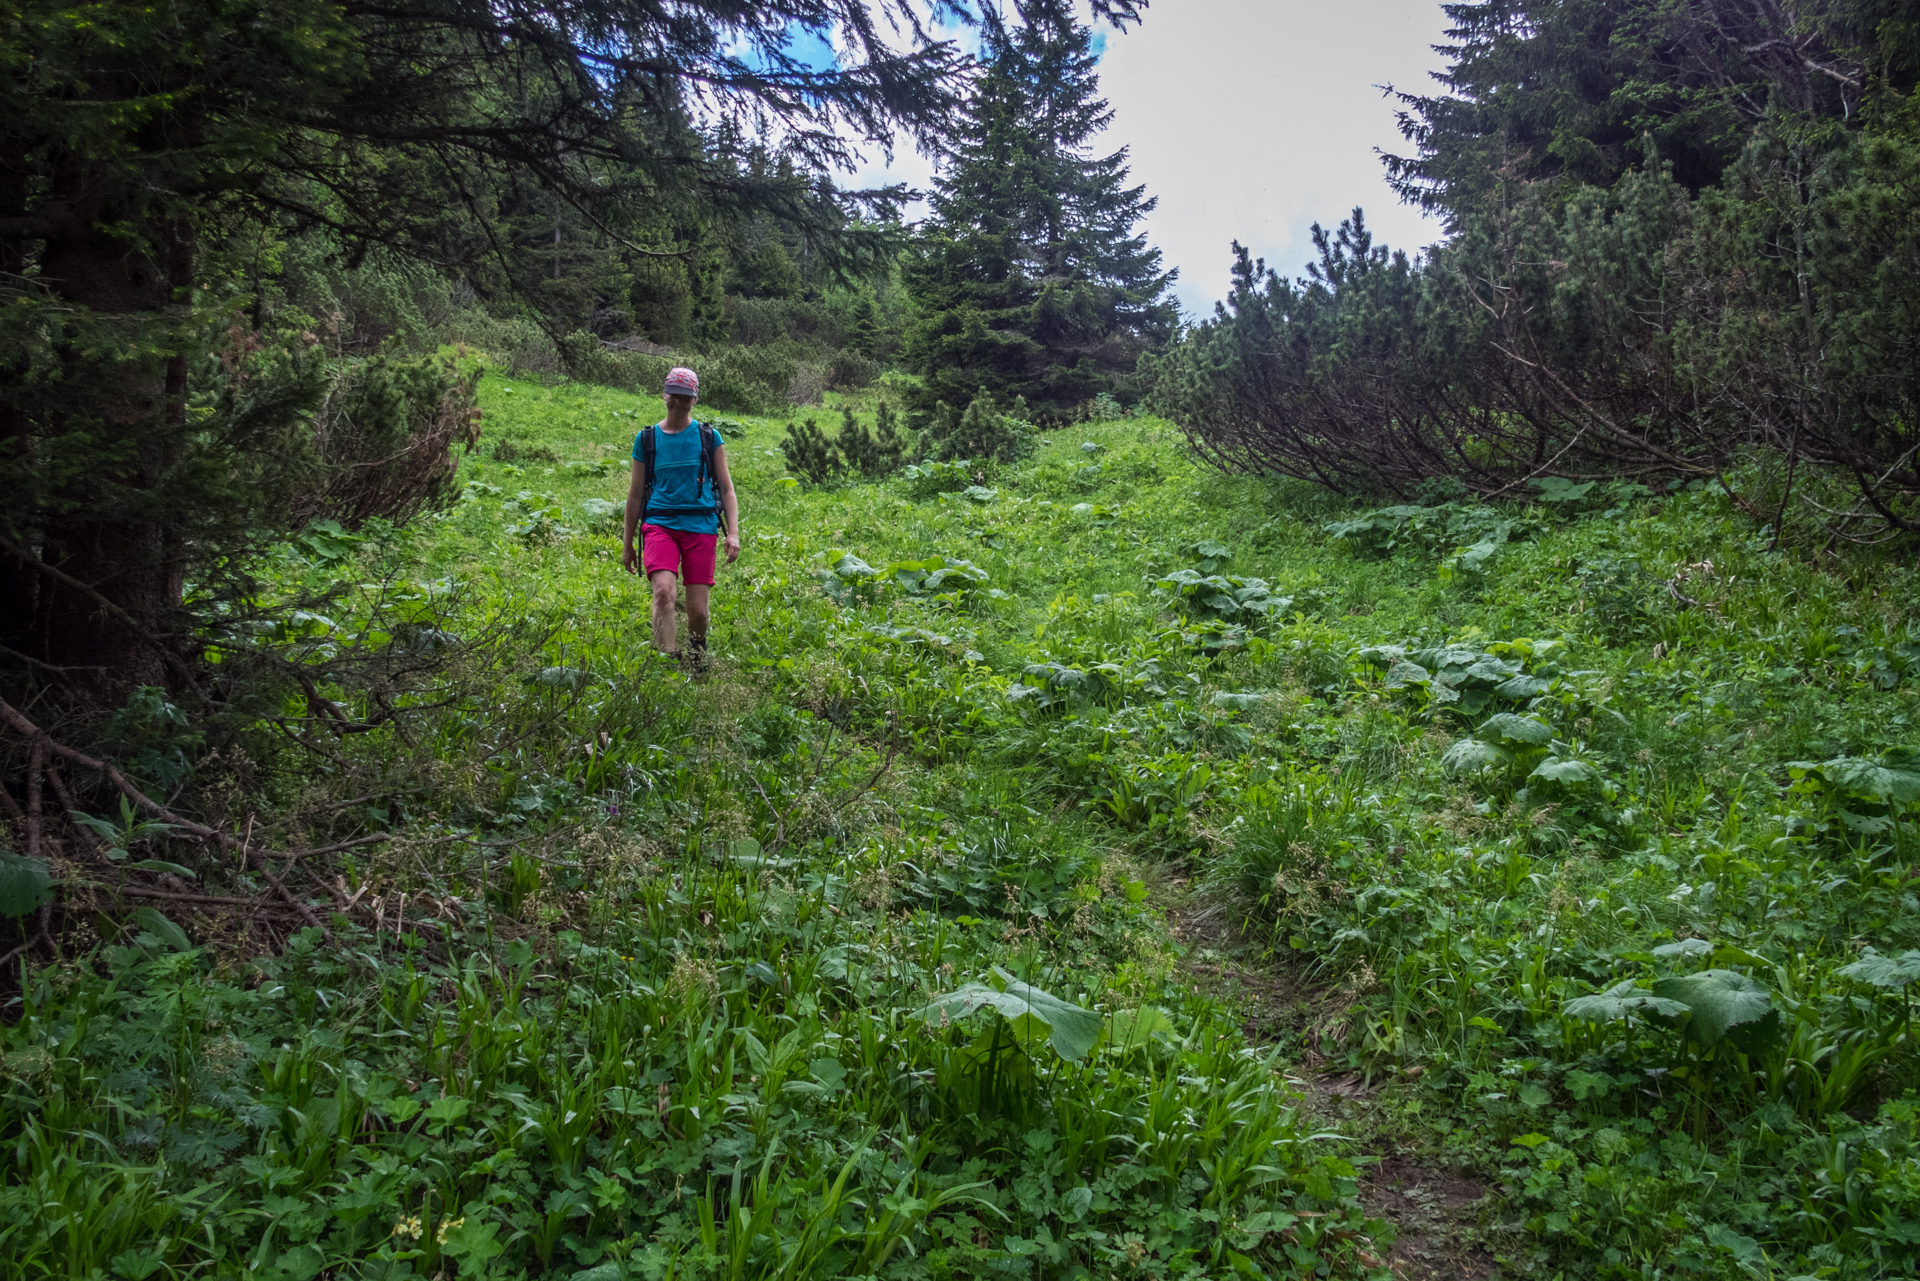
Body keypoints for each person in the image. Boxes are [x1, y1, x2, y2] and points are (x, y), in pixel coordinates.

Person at [621, 367, 740, 663]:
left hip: (700, 525)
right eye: (674, 395)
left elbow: (726, 490)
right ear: (664, 395)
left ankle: (697, 653)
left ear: (694, 400)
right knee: (663, 592)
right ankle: (668, 663)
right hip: (660, 524)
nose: (679, 402)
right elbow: (635, 495)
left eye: (686, 397)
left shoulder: (708, 437)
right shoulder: (646, 439)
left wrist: (733, 533)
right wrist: (627, 544)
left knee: (698, 611)